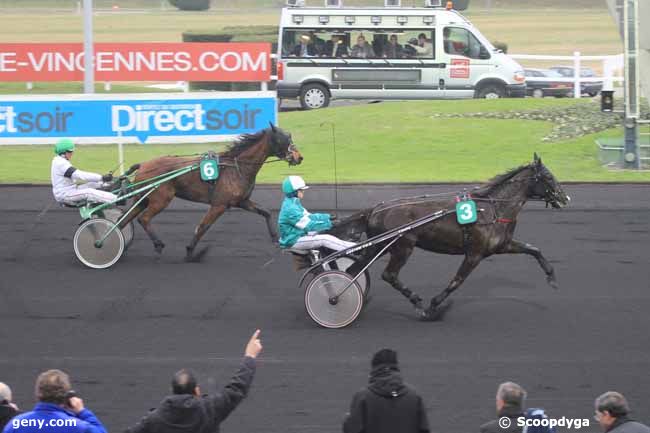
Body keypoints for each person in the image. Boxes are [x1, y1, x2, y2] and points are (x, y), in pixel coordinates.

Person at [124, 330, 263, 433]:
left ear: (173, 391)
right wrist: (250, 356)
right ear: (196, 390)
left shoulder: (154, 420)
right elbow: (237, 389)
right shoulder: (210, 409)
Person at [343, 349, 430, 433]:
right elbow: (424, 429)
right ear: (396, 368)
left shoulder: (362, 397)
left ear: (374, 369)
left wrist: (347, 422)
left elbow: (353, 430)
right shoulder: (415, 397)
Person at [2, 370, 107, 433]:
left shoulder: (16, 424)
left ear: (38, 393)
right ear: (67, 396)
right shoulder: (78, 426)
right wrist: (82, 412)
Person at [278, 176, 356, 252]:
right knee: (325, 239)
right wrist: (330, 223)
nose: (303, 192)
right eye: (301, 190)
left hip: (298, 234)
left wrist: (327, 217)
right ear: (294, 192)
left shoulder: (293, 203)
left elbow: (310, 217)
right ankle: (354, 248)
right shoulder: (291, 208)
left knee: (326, 232)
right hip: (293, 240)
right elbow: (309, 225)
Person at [50, 138, 116, 205]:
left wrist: (103, 180)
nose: (72, 153)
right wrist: (101, 177)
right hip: (65, 194)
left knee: (91, 184)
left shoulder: (59, 160)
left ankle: (111, 184)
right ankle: (116, 199)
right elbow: (80, 175)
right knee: (89, 192)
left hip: (70, 190)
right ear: (63, 152)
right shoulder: (61, 164)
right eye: (70, 152)